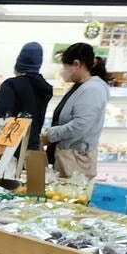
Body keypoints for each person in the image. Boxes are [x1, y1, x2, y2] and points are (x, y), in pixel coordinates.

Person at [41, 42, 110, 180]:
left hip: (76, 161)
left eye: (65, 67)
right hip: (67, 158)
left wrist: (50, 135)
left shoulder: (92, 89)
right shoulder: (81, 86)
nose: (63, 71)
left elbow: (80, 125)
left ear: (77, 64)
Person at [0, 43, 53, 152]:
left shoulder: (11, 85)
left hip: (7, 147)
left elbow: (1, 117)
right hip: (32, 146)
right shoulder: (45, 89)